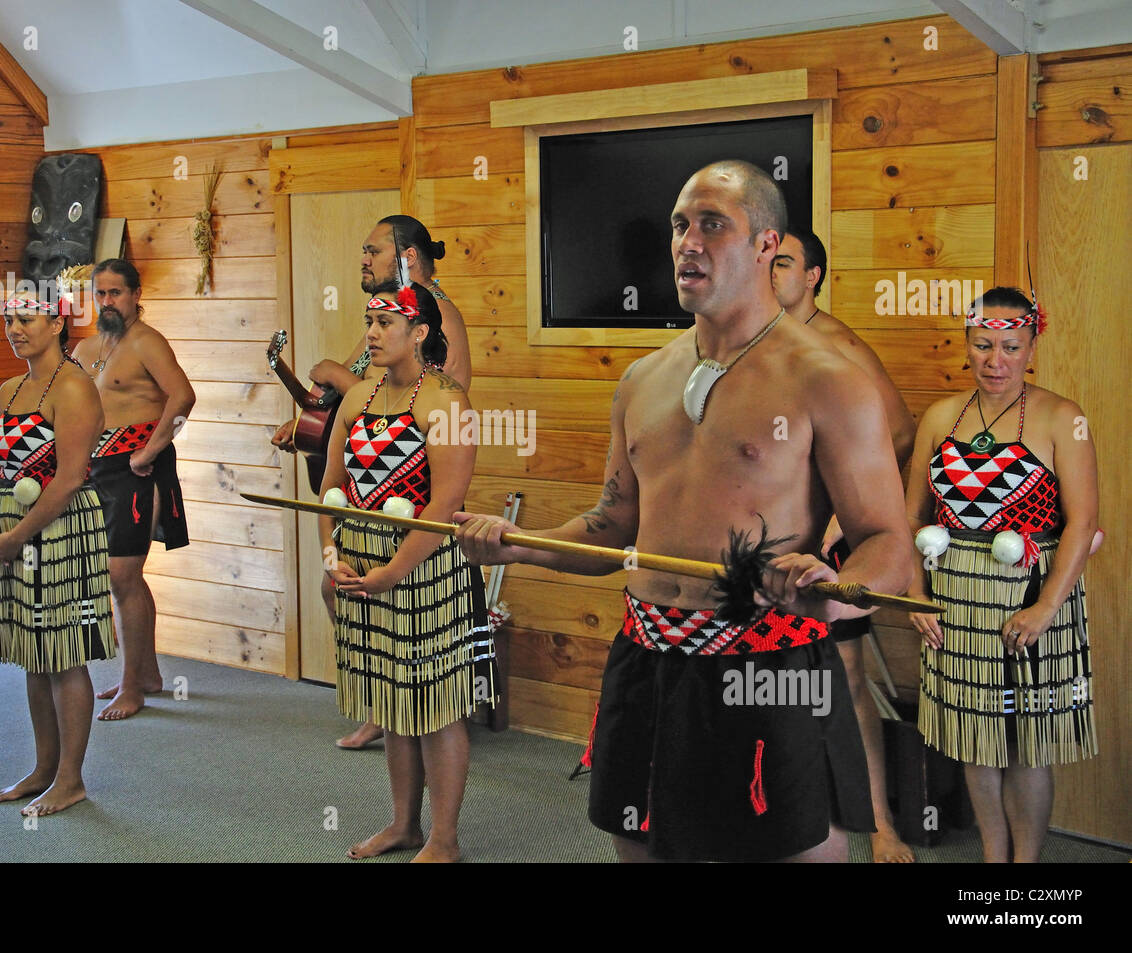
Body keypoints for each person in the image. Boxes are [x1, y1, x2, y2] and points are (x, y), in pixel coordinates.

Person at [455, 160, 912, 862]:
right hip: (649, 662)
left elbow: (889, 543)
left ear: (766, 243)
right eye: (679, 225)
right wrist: (522, 544)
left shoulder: (828, 379)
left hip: (772, 666)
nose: (687, 242)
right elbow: (612, 527)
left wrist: (835, 593)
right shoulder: (643, 380)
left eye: (711, 224)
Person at [906, 287, 1098, 863]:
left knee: (1027, 746)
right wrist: (915, 596)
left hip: (1031, 596)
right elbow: (911, 515)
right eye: (983, 344)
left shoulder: (1064, 417)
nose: (995, 361)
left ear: (1031, 344)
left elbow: (1085, 522)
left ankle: (1026, 866)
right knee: (975, 742)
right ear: (966, 342)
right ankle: (994, 860)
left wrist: (1044, 610)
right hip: (954, 601)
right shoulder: (941, 416)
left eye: (1010, 347)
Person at [273, 214, 472, 750]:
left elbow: (430, 392)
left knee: (424, 679)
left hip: (413, 502)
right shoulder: (386, 314)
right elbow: (360, 408)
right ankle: (379, 704)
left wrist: (340, 377)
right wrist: (313, 421)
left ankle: (400, 711)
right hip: (364, 496)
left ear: (407, 258)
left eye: (372, 250)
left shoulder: (435, 314)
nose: (362, 259)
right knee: (335, 588)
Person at [317, 281, 495, 862]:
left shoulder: (446, 401)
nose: (371, 332)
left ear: (419, 333)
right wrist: (330, 555)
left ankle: (444, 838)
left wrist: (394, 570)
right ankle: (403, 825)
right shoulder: (357, 397)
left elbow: (446, 504)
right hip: (362, 563)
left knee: (436, 706)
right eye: (369, 321)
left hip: (424, 570)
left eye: (385, 323)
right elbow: (330, 489)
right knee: (393, 701)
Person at [772, 226, 917, 863]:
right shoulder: (756, 340)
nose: (771, 273)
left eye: (785, 263)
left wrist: (842, 511)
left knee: (849, 679)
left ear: (813, 277)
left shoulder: (836, 344)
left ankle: (880, 822)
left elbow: (902, 431)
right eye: (765, 261)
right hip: (770, 541)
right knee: (767, 675)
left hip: (828, 543)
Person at [0, 294, 114, 816]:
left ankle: (71, 780)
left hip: (60, 531)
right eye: (9, 320)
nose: (14, 329)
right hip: (12, 529)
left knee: (62, 653)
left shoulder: (75, 386)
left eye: (25, 319)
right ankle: (42, 768)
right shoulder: (9, 388)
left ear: (57, 322)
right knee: (34, 655)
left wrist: (18, 536)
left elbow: (71, 477)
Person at [72, 259, 196, 720]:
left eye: (116, 293)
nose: (107, 302)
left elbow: (183, 398)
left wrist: (150, 451)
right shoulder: (84, 349)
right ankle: (146, 674)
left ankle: (132, 687)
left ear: (136, 294)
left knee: (121, 576)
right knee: (122, 579)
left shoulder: (148, 342)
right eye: (100, 294)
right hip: (95, 470)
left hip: (138, 469)